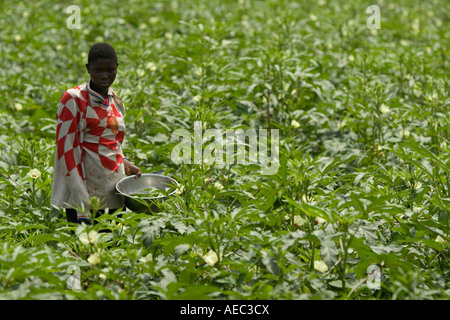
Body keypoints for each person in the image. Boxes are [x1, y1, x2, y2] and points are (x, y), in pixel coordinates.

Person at [51, 43, 142, 224]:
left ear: (117, 67)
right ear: (87, 69)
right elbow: (66, 151)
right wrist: (81, 198)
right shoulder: (74, 99)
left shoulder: (115, 100)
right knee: (85, 249)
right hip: (85, 196)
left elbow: (113, 143)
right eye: (97, 70)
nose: (104, 75)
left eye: (110, 70)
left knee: (111, 248)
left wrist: (124, 162)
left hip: (113, 191)